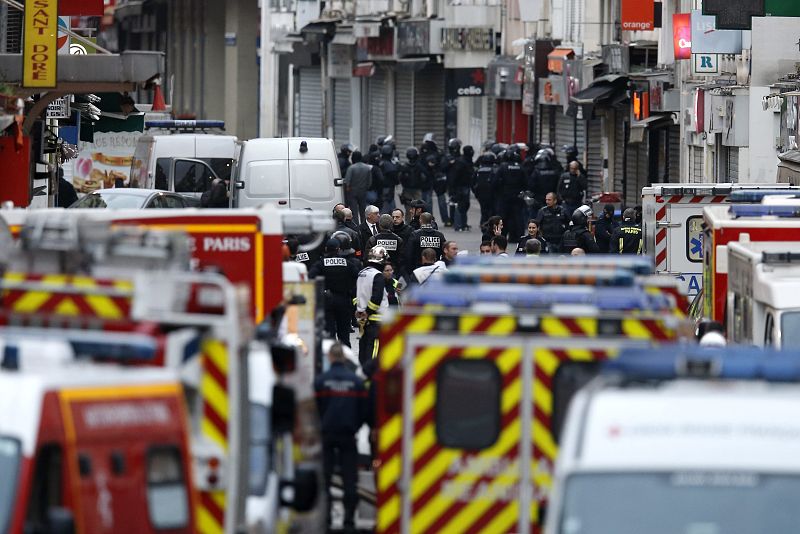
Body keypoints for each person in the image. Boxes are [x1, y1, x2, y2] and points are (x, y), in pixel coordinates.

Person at [314, 342, 367, 533]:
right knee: (350, 480)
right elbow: (363, 411)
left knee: (325, 480)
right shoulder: (356, 382)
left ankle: (326, 518)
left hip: (327, 436)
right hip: (348, 436)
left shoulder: (321, 382)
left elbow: (315, 410)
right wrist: (355, 427)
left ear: (329, 357)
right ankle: (349, 521)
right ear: (344, 358)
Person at [308, 238, 361, 347]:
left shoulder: (321, 264)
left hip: (327, 300)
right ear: (339, 249)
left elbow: (310, 277)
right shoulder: (347, 263)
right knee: (344, 335)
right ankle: (346, 359)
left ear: (326, 249)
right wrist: (351, 289)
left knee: (329, 334)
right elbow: (358, 276)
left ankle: (330, 359)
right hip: (344, 300)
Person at [356, 246, 389, 366]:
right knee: (374, 351)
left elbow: (357, 295)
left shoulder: (362, 273)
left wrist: (360, 310)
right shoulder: (377, 275)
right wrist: (368, 311)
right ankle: (371, 377)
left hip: (363, 321)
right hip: (376, 321)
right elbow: (376, 298)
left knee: (364, 350)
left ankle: (363, 374)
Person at [495, 147, 526, 240]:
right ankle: (519, 236)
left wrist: (498, 192)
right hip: (517, 196)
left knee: (503, 217)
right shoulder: (520, 167)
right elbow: (526, 182)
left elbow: (495, 181)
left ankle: (502, 236)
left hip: (505, 196)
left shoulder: (502, 167)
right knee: (518, 217)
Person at [366, 214, 406, 279]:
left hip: (376, 273)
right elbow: (401, 259)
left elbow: (367, 258)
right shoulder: (398, 240)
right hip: (393, 273)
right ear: (391, 224)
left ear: (379, 225)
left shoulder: (373, 239)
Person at [343, 151, 373, 225]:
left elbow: (347, 181)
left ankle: (356, 225)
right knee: (363, 210)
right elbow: (369, 182)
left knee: (354, 210)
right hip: (363, 191)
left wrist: (348, 188)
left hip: (352, 191)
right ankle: (364, 225)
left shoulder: (351, 168)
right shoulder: (367, 168)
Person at [450, 143, 474, 232]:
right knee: (461, 205)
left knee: (465, 205)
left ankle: (463, 223)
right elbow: (455, 175)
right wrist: (453, 188)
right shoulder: (461, 161)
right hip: (460, 186)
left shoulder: (467, 160)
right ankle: (459, 224)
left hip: (465, 186)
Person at [399, 147, 426, 219]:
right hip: (416, 189)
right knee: (419, 208)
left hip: (407, 189)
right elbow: (424, 177)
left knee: (409, 210)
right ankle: (419, 224)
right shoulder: (419, 166)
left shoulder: (404, 166)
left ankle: (408, 225)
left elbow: (400, 178)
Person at [473, 152, 497, 226]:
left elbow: (473, 181)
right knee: (491, 209)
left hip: (481, 192)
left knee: (483, 209)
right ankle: (489, 223)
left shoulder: (479, 170)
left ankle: (483, 222)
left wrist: (475, 191)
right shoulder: (494, 170)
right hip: (491, 192)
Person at [379, 144, 398, 213]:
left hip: (383, 188)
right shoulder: (388, 164)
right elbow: (394, 175)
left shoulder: (381, 162)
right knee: (387, 206)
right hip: (387, 188)